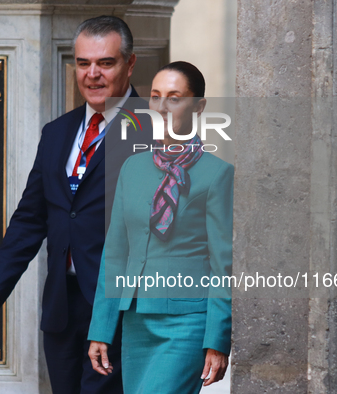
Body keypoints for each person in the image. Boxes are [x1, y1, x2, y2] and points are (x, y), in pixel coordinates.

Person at [0, 15, 150, 394]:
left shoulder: (154, 130)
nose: (92, 74)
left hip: (120, 309)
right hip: (61, 309)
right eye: (84, 63)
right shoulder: (57, 133)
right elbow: (31, 218)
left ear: (130, 63)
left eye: (106, 63)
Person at [87, 61, 233, 393]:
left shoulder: (217, 174)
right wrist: (101, 328)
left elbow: (224, 265)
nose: (161, 107)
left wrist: (217, 339)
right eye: (155, 97)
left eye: (174, 97)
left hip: (187, 323)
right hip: (137, 319)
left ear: (198, 107)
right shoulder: (132, 168)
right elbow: (116, 253)